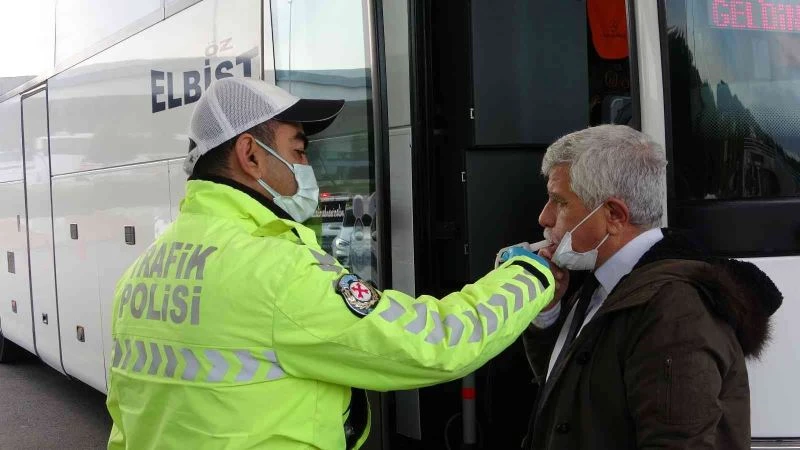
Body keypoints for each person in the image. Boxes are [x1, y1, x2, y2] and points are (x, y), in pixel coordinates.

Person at [105, 77, 562, 450]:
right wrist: (529, 274)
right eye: (300, 151)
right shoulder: (275, 271)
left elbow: (124, 426)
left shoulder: (142, 272)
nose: (309, 167)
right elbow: (438, 343)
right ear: (250, 156)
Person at [520, 124, 783, 449]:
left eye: (559, 203)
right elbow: (571, 389)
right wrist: (548, 312)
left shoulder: (676, 310)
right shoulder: (604, 282)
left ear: (614, 215)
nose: (544, 218)